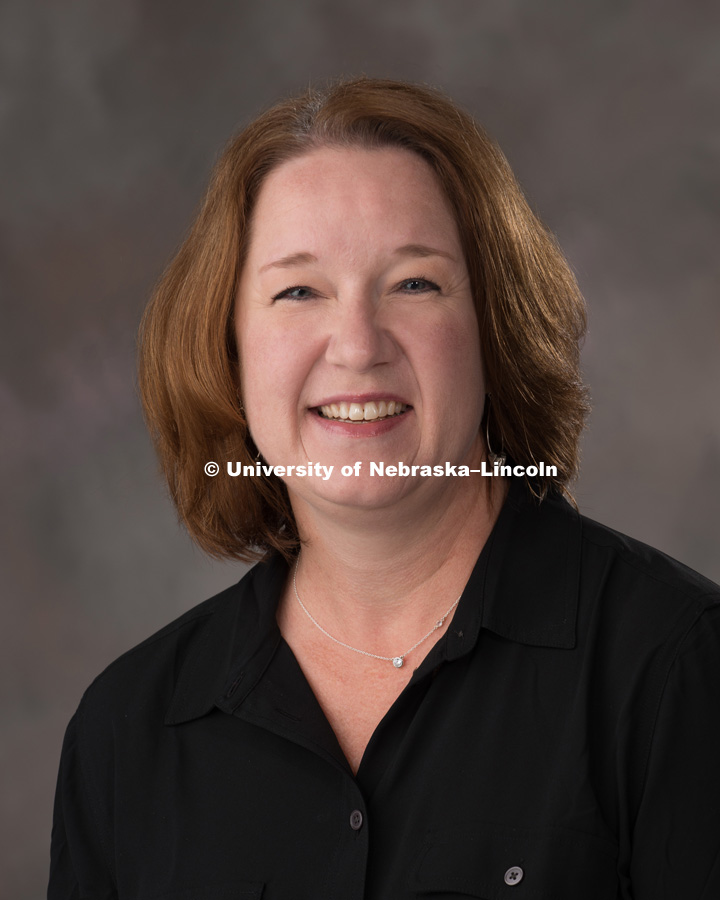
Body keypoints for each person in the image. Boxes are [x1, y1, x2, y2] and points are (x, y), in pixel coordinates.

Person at [49, 78, 720, 900]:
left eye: (415, 283)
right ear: (226, 348)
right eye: (298, 291)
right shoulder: (128, 732)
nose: (357, 346)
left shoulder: (678, 668)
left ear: (494, 328)